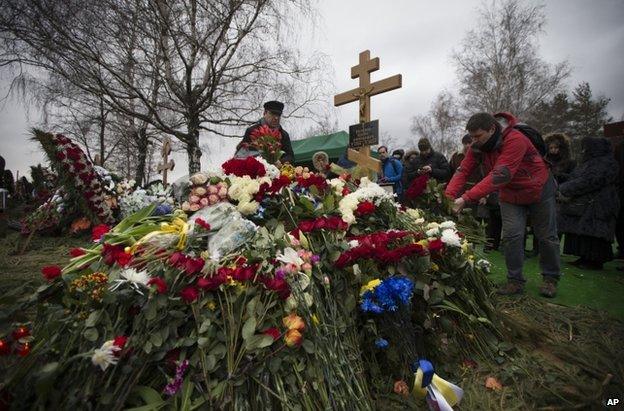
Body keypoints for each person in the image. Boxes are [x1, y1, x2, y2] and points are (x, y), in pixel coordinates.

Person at [446, 112, 561, 298]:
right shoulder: (478, 147)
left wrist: (465, 198)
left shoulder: (515, 139)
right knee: (512, 235)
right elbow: (462, 171)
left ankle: (550, 278)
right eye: (472, 137)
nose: (474, 141)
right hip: (510, 194)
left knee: (546, 235)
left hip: (538, 189)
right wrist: (448, 196)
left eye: (478, 136)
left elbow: (501, 174)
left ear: (492, 129)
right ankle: (515, 280)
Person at [558, 137, 620, 270]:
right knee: (583, 232)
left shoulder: (604, 163)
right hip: (587, 202)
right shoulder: (592, 162)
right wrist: (562, 177)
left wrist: (565, 188)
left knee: (594, 233)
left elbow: (589, 181)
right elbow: (579, 177)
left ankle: (594, 261)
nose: (584, 151)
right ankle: (584, 257)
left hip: (599, 204)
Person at [236, 101, 294, 166]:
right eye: (273, 114)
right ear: (264, 113)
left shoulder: (284, 135)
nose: (276, 118)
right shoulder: (251, 130)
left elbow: (290, 156)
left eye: (278, 115)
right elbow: (241, 154)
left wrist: (280, 161)